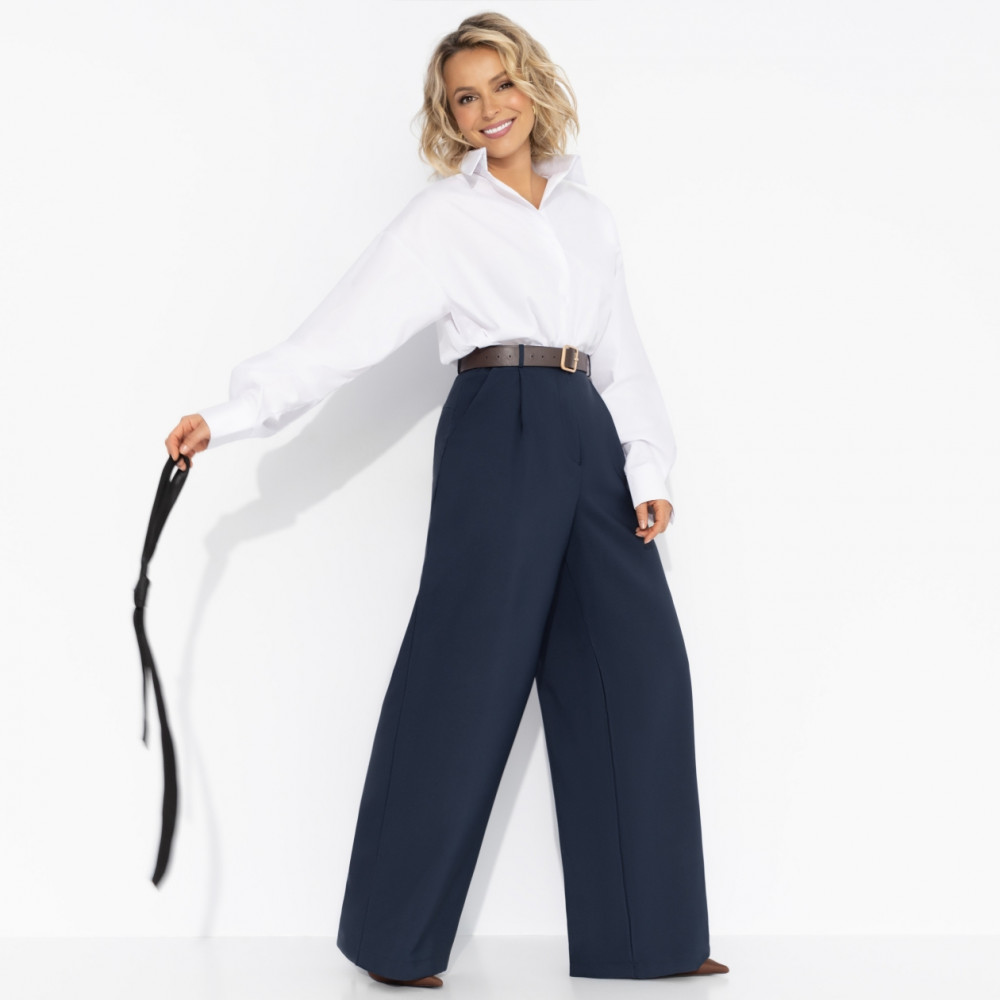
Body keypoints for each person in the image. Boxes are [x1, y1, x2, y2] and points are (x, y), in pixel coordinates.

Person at [165, 11, 728, 990]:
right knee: (463, 676)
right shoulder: (443, 220)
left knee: (639, 673)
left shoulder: (588, 216)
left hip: (586, 430)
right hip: (497, 422)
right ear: (450, 117)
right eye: (465, 97)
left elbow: (621, 354)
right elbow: (338, 334)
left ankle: (650, 940)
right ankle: (394, 943)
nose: (488, 109)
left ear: (532, 84)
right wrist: (231, 414)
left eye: (500, 84)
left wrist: (648, 471)